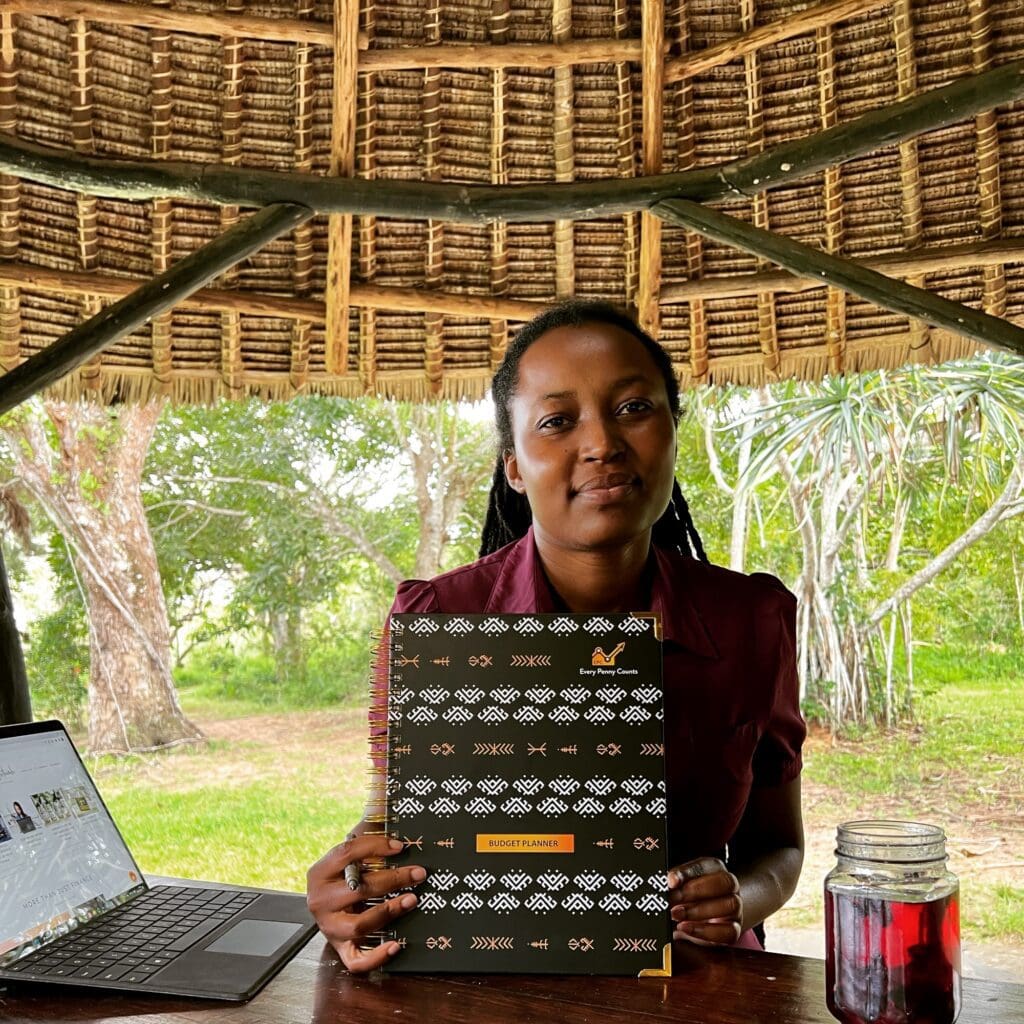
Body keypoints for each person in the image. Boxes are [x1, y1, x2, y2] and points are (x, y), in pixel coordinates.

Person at [307, 299, 805, 973]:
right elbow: (387, 835)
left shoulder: (751, 620)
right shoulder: (437, 621)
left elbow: (780, 847)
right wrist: (350, 894)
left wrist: (738, 900)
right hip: (485, 989)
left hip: (696, 984)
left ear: (673, 431)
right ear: (513, 466)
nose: (601, 443)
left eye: (634, 408)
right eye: (557, 421)